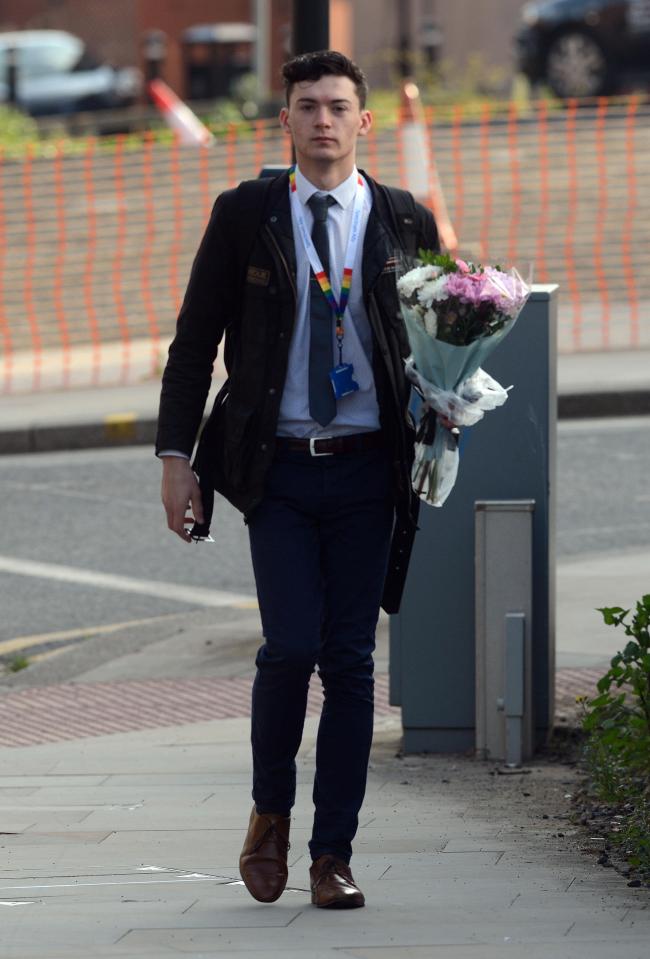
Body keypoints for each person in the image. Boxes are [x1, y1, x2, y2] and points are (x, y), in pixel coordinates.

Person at [157, 50, 439, 910]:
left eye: (338, 106)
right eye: (307, 105)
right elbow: (195, 338)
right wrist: (175, 460)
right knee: (291, 646)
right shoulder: (247, 214)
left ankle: (333, 854)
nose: (323, 120)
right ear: (284, 120)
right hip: (276, 471)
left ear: (364, 122)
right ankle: (270, 815)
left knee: (351, 660)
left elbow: (433, 340)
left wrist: (451, 400)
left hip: (368, 472)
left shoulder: (401, 218)